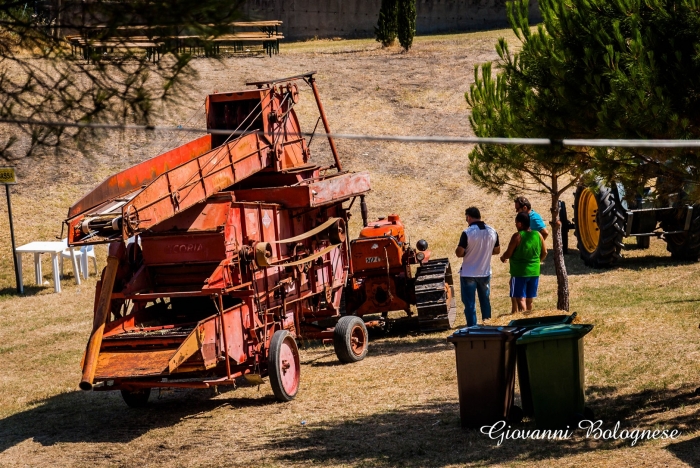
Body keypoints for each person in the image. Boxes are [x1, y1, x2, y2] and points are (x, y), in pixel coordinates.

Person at [455, 207, 500, 326]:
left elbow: (459, 252)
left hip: (469, 273)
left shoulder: (467, 232)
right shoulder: (492, 231)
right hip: (485, 272)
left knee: (470, 304)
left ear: (469, 217)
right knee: (485, 301)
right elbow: (497, 250)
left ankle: (472, 328)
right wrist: (484, 251)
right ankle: (488, 324)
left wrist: (468, 252)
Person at [500, 212, 547, 313]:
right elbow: (545, 252)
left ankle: (523, 324)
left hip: (519, 273)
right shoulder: (538, 234)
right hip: (534, 272)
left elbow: (508, 253)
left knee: (521, 299)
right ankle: (529, 322)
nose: (516, 225)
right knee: (529, 300)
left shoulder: (517, 236)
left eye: (516, 223)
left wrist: (503, 257)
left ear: (520, 224)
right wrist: (538, 262)